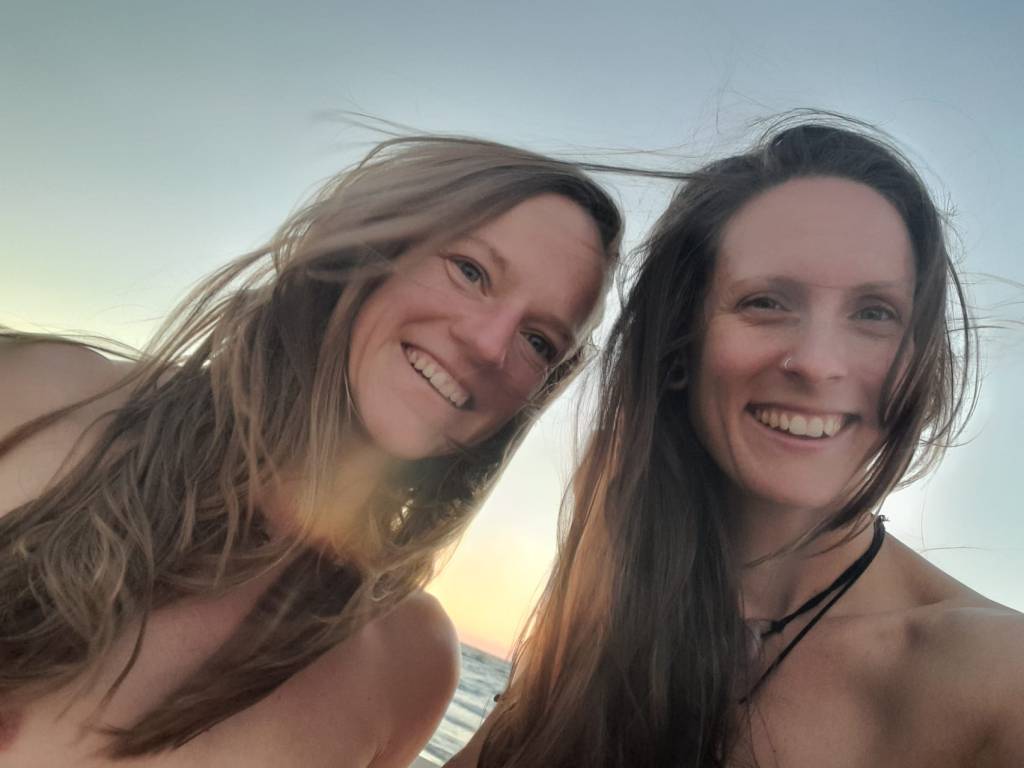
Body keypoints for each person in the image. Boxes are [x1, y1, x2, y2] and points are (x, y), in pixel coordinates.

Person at [0, 135, 622, 767]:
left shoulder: (408, 664)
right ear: (376, 242)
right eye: (470, 271)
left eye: (539, 342)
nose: (490, 345)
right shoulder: (42, 397)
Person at [449, 116, 1024, 767]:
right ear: (681, 344)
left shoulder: (998, 687)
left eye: (874, 313)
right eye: (767, 302)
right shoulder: (624, 561)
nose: (817, 363)